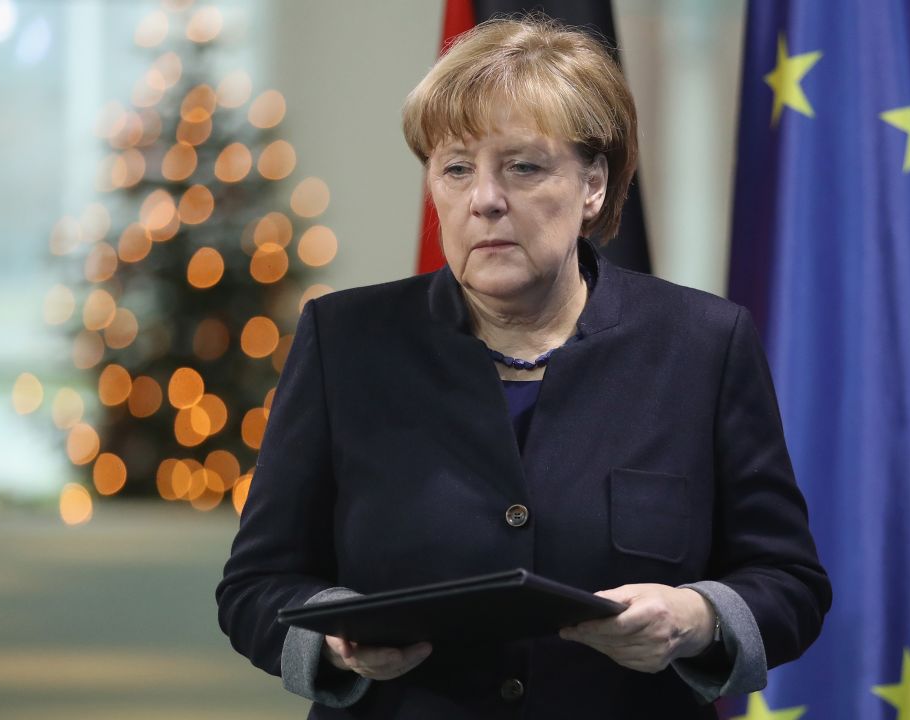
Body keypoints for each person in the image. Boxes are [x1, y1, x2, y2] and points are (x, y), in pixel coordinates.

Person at [216, 15, 830, 719]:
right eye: (455, 168)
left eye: (523, 166)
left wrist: (695, 617)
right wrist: (332, 636)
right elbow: (256, 585)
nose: (483, 198)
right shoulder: (346, 341)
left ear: (592, 185)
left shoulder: (702, 344)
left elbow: (790, 583)